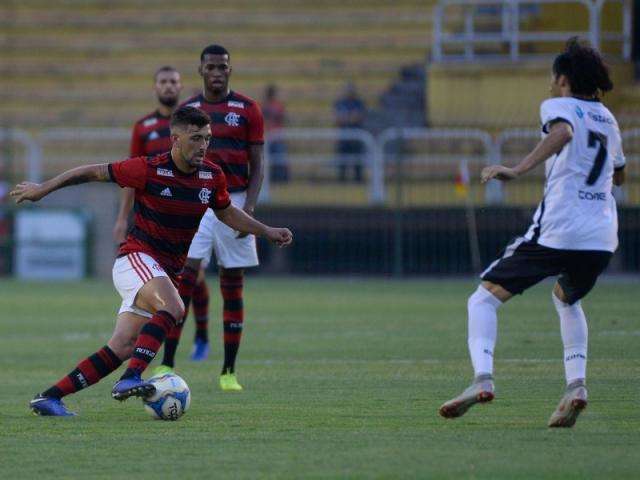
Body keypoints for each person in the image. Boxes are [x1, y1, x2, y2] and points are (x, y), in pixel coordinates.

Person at [11, 106, 292, 416]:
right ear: (175, 138)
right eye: (196, 138)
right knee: (174, 307)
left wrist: (265, 231)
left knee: (123, 346)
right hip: (136, 258)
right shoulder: (148, 169)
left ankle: (49, 398)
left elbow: (226, 212)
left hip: (164, 271)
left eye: (208, 139)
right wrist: (42, 189)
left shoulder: (212, 176)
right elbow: (88, 172)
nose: (203, 146)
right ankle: (130, 378)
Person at [439, 38, 626, 428]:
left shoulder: (559, 106)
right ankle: (576, 386)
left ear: (562, 79)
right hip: (602, 236)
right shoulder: (609, 120)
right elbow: (619, 174)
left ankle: (482, 379)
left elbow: (562, 133)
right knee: (566, 300)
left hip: (560, 229)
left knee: (482, 300)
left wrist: (517, 169)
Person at [153, 44, 265, 392]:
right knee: (183, 281)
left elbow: (258, 163)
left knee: (232, 285)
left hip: (234, 202)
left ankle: (228, 371)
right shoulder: (189, 110)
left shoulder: (247, 109)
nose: (217, 73)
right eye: (211, 67)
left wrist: (249, 208)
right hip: (198, 202)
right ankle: (167, 363)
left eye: (223, 67)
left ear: (230, 70)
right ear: (201, 70)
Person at [114, 66, 213, 364]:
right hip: (156, 214)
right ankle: (167, 355)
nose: (168, 86)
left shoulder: (193, 125)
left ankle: (202, 336)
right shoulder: (143, 127)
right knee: (180, 283)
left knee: (193, 277)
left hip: (190, 209)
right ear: (155, 87)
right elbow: (130, 174)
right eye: (163, 82)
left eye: (174, 81)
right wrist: (122, 218)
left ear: (181, 86)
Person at [334, 82, 366, 183]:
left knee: (357, 162)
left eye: (351, 89)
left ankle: (358, 182)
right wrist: (350, 118)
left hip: (356, 137)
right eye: (348, 89)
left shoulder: (359, 103)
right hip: (344, 138)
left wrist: (347, 118)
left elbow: (359, 117)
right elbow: (338, 119)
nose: (349, 92)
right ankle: (341, 182)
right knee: (342, 162)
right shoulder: (340, 103)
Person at [262, 84, 288, 182]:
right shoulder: (265, 106)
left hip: (275, 136)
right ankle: (274, 178)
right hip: (269, 136)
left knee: (278, 157)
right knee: (270, 158)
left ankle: (280, 178)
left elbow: (282, 120)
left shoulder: (277, 106)